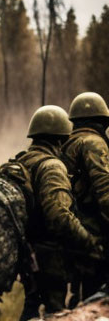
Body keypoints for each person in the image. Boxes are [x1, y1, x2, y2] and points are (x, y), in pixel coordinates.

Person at [16, 106, 102, 320]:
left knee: (32, 308)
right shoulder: (52, 166)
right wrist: (90, 242)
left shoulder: (22, 161)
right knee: (55, 319)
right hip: (49, 254)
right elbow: (59, 216)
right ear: (60, 139)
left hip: (27, 250)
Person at [62, 92, 109, 297]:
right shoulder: (93, 143)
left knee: (79, 294)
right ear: (101, 121)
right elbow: (105, 190)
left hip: (73, 230)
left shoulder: (67, 144)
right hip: (93, 229)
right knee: (95, 294)